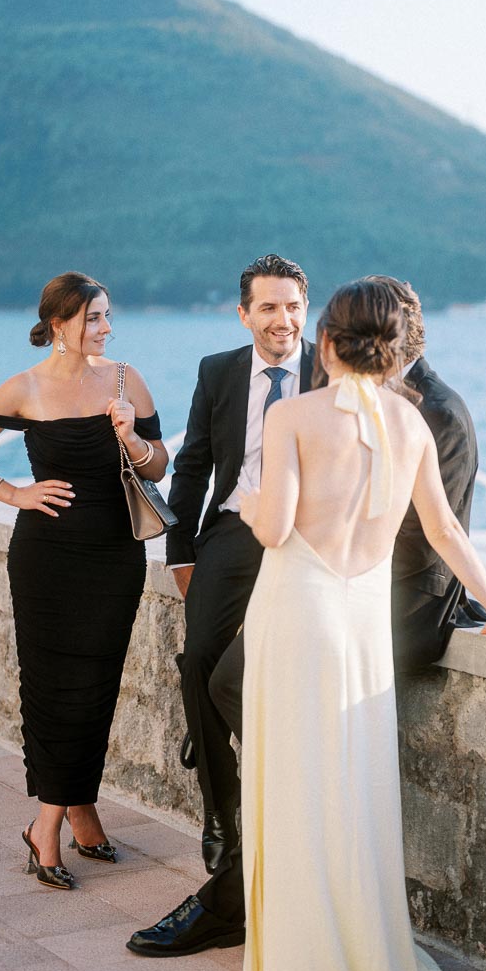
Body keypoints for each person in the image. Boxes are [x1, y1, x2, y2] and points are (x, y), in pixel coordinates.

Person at [126, 274, 483, 958]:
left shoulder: (437, 412)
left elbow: (433, 540)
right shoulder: (364, 393)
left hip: (391, 607)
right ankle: (241, 830)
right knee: (224, 678)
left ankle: (230, 899)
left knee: (275, 724)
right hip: (324, 581)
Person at [236, 278, 486, 971]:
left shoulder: (293, 416)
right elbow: (445, 532)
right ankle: (366, 954)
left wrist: (247, 500)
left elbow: (275, 529)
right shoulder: (412, 426)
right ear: (394, 344)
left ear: (326, 340)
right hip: (362, 622)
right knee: (352, 784)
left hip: (298, 612)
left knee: (294, 782)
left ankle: (302, 970)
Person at [0, 272, 167, 889]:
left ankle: (80, 805)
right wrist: (13, 492)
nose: (106, 327)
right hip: (46, 558)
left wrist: (130, 436)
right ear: (61, 323)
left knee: (96, 685)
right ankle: (48, 824)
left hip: (114, 556)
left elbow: (160, 464)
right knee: (50, 687)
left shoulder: (126, 379)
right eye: (95, 317)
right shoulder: (24, 388)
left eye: (107, 316)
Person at [165, 253, 316, 874]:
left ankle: (226, 749)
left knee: (237, 674)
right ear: (245, 314)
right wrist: (179, 552)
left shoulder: (331, 373)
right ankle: (221, 813)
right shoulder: (219, 372)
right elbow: (193, 463)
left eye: (295, 307)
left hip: (303, 537)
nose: (284, 321)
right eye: (270, 308)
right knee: (198, 658)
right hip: (231, 529)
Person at [364, 275, 482, 674]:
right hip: (373, 580)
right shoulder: (377, 394)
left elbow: (424, 538)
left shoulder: (438, 411)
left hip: (412, 598)